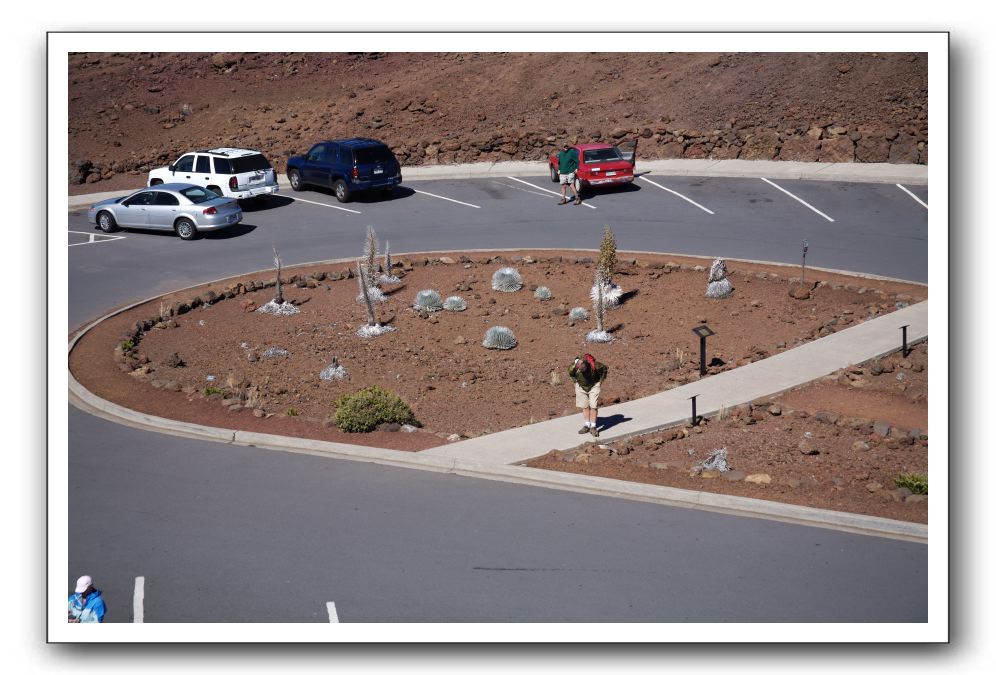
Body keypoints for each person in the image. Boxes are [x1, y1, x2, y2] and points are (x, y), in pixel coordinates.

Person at [568, 353, 608, 437]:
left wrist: (600, 382)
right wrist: (575, 382)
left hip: (594, 385)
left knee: (593, 406)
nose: (581, 370)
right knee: (585, 406)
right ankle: (587, 425)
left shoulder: (595, 365)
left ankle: (593, 427)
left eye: (583, 369)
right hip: (581, 387)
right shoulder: (573, 367)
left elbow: (604, 368)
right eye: (580, 369)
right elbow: (570, 374)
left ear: (586, 364)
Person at [556, 141, 582, 206]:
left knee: (571, 185)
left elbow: (577, 161)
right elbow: (560, 163)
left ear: (568, 146)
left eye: (566, 146)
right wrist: (559, 169)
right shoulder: (561, 153)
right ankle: (563, 199)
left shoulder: (571, 152)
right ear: (562, 148)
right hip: (562, 172)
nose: (566, 148)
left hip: (570, 171)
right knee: (563, 186)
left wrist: (576, 168)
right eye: (564, 147)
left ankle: (577, 198)